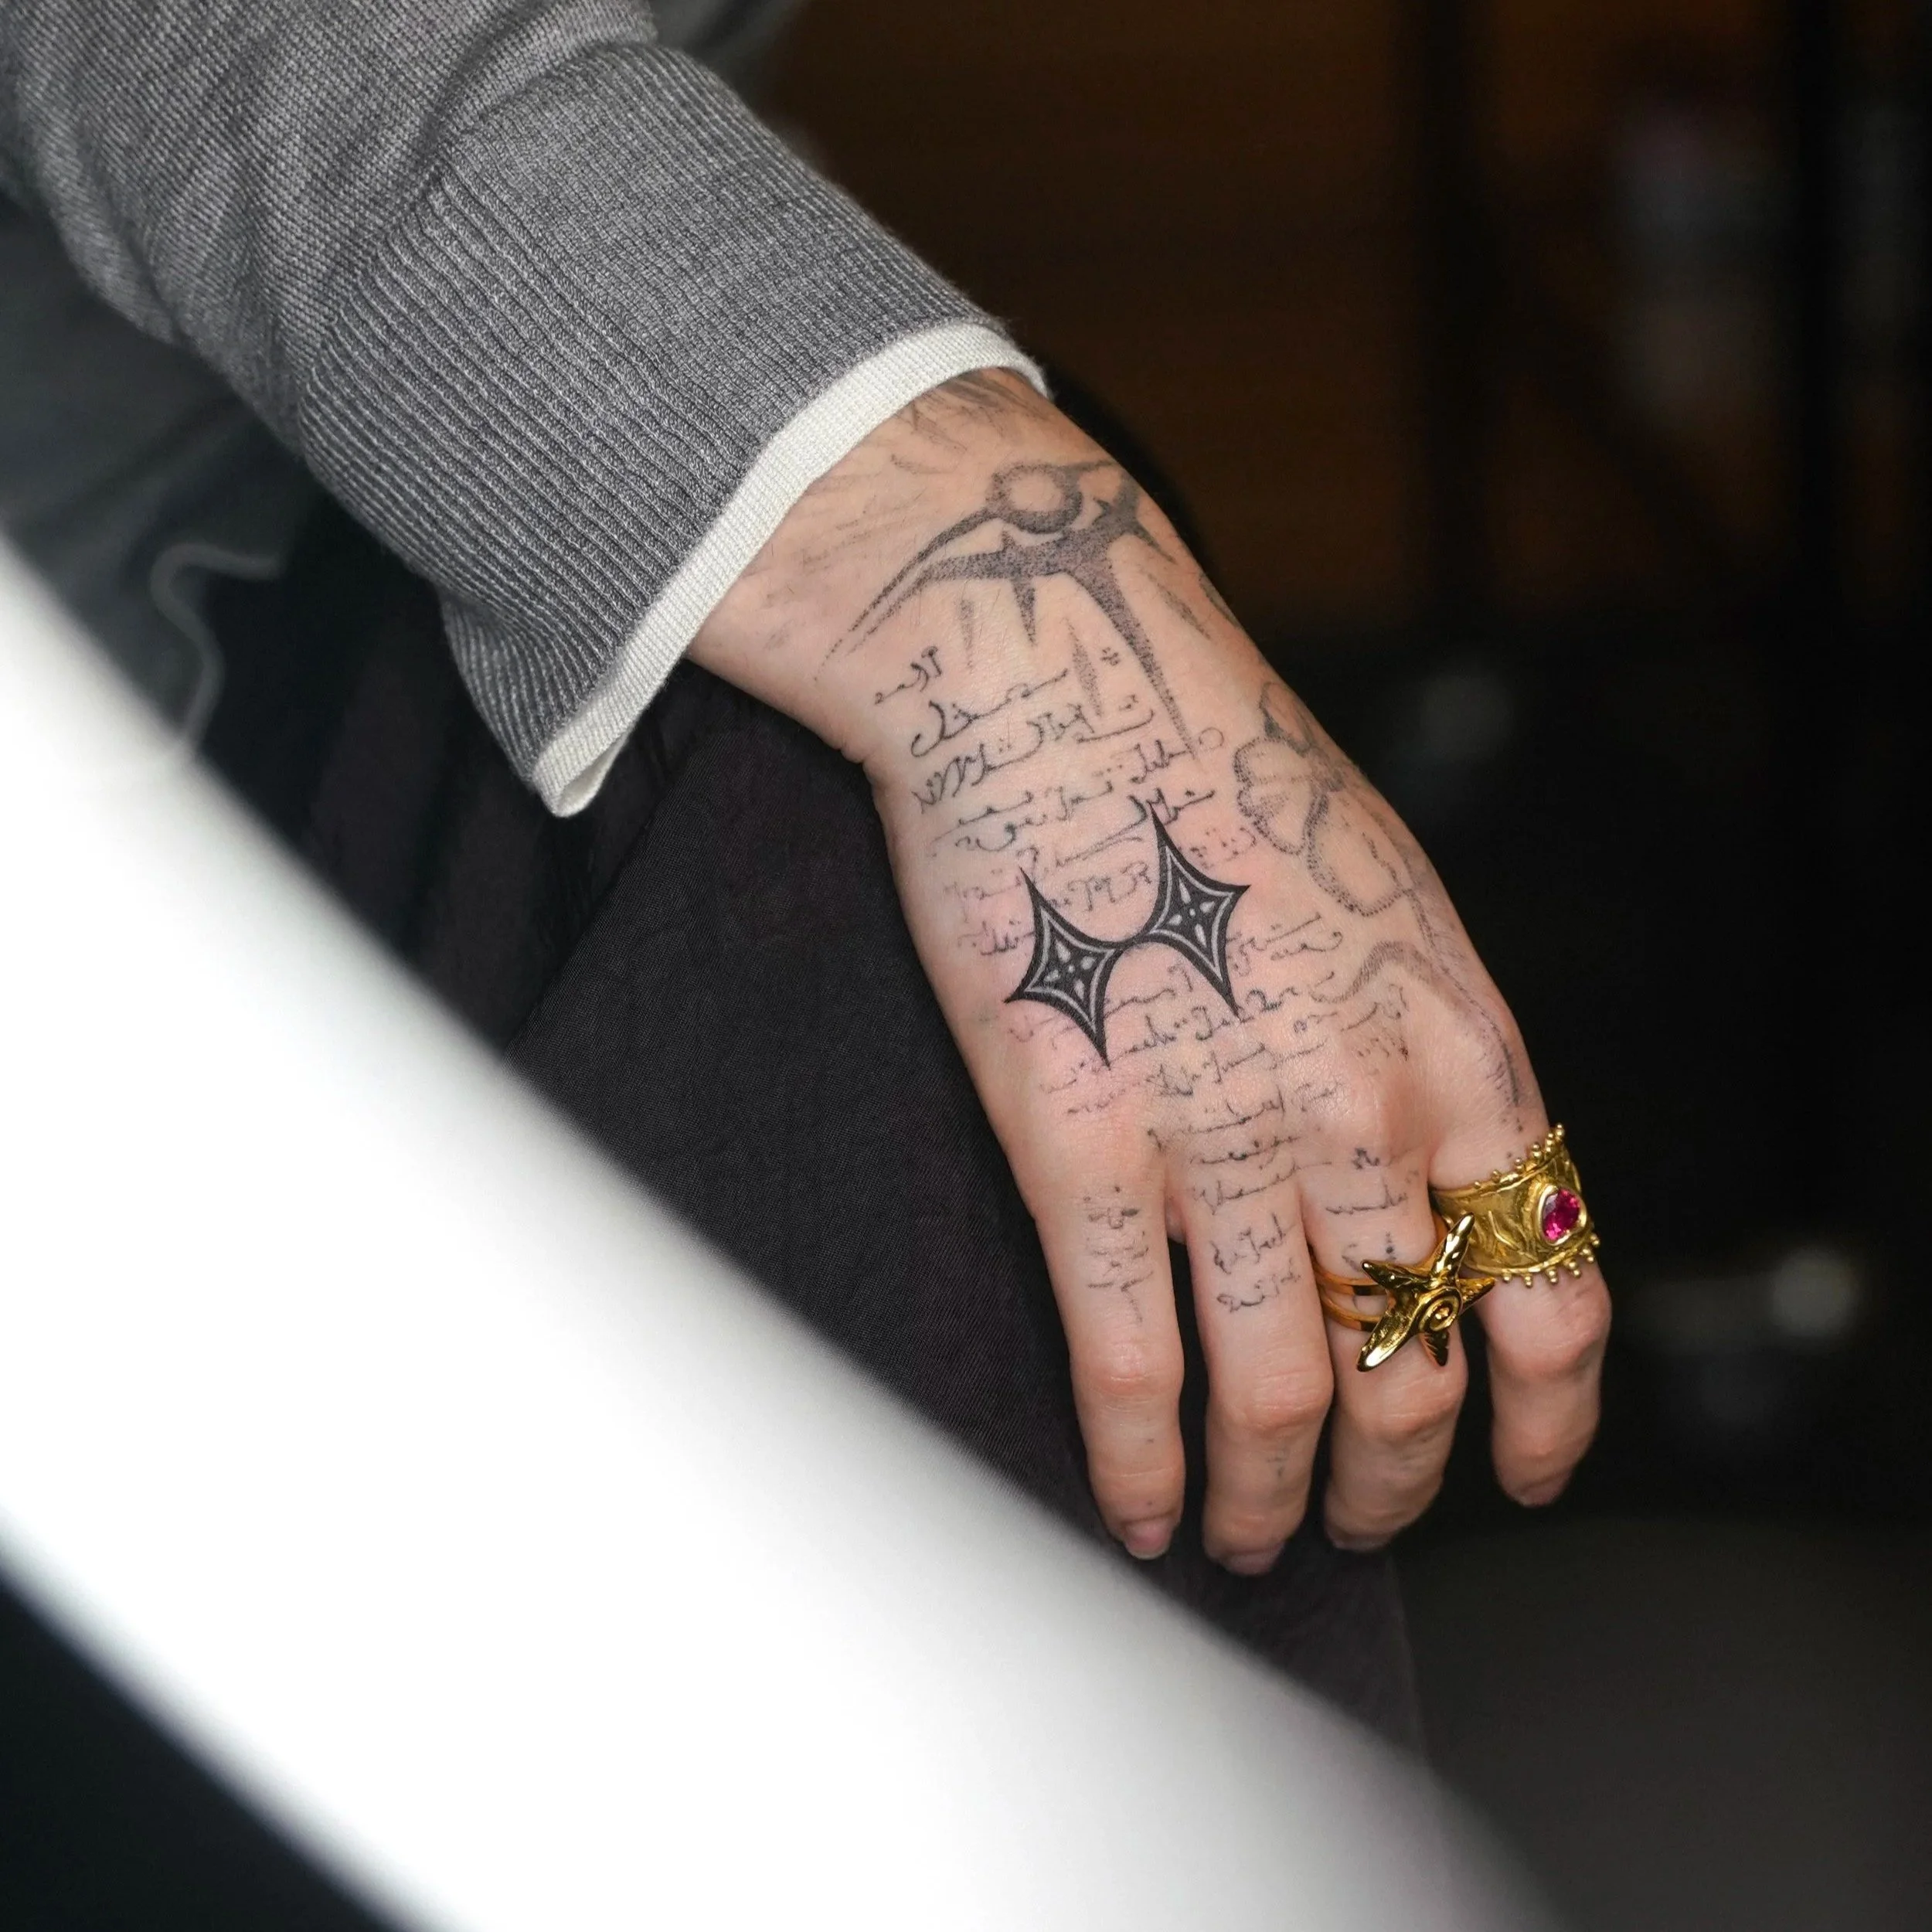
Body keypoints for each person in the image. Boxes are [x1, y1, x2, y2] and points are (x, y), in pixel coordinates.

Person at [1, 0, 1611, 1748]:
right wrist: (910, 515)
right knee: (900, 807)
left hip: (423, 409)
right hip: (100, 639)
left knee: (939, 861)